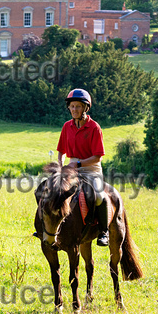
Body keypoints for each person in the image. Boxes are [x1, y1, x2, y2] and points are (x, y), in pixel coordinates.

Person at [56, 88, 109, 246]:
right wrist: (60, 167)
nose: (74, 109)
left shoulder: (94, 127)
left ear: (86, 108)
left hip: (91, 168)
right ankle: (47, 226)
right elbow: (61, 152)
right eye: (72, 106)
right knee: (51, 189)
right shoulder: (67, 126)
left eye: (78, 106)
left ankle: (103, 231)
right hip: (72, 168)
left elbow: (97, 157)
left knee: (98, 195)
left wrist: (78, 163)